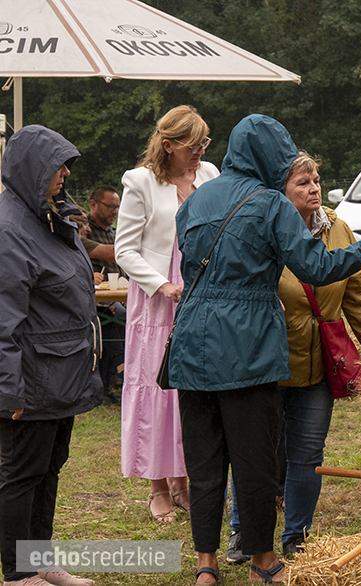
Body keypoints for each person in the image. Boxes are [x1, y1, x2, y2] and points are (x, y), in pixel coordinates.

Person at [168, 114, 361, 584]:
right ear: (269, 157)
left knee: (204, 461)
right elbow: (316, 267)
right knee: (255, 460)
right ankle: (263, 561)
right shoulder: (271, 203)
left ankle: (206, 563)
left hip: (191, 343)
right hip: (247, 345)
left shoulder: (195, 199)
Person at [225, 152, 361, 561]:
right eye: (302, 183)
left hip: (317, 366)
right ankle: (242, 532)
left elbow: (358, 299)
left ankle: (297, 536)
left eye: (316, 181)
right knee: (255, 451)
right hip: (266, 362)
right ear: (281, 190)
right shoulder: (262, 227)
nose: (313, 189)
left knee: (307, 454)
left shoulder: (338, 229)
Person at [0, 125, 102, 586]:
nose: (66, 173)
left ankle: (40, 560)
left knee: (47, 470)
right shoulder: (9, 230)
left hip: (60, 375)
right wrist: (9, 391)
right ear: (31, 169)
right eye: (57, 164)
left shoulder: (49, 218)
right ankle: (19, 574)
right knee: (22, 475)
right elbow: (2, 319)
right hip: (31, 381)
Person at [115, 105, 219, 523]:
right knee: (155, 389)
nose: (200, 151)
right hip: (158, 297)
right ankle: (157, 487)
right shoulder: (140, 181)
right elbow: (125, 250)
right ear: (169, 144)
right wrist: (162, 285)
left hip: (201, 290)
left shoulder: (209, 175)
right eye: (194, 145)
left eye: (204, 143)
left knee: (191, 390)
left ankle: (182, 481)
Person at [82, 185, 126, 405]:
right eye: (110, 207)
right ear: (93, 204)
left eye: (117, 207)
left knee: (123, 313)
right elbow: (111, 254)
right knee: (119, 315)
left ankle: (118, 378)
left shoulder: (114, 233)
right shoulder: (83, 232)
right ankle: (121, 375)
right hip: (94, 299)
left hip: (115, 297)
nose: (114, 212)